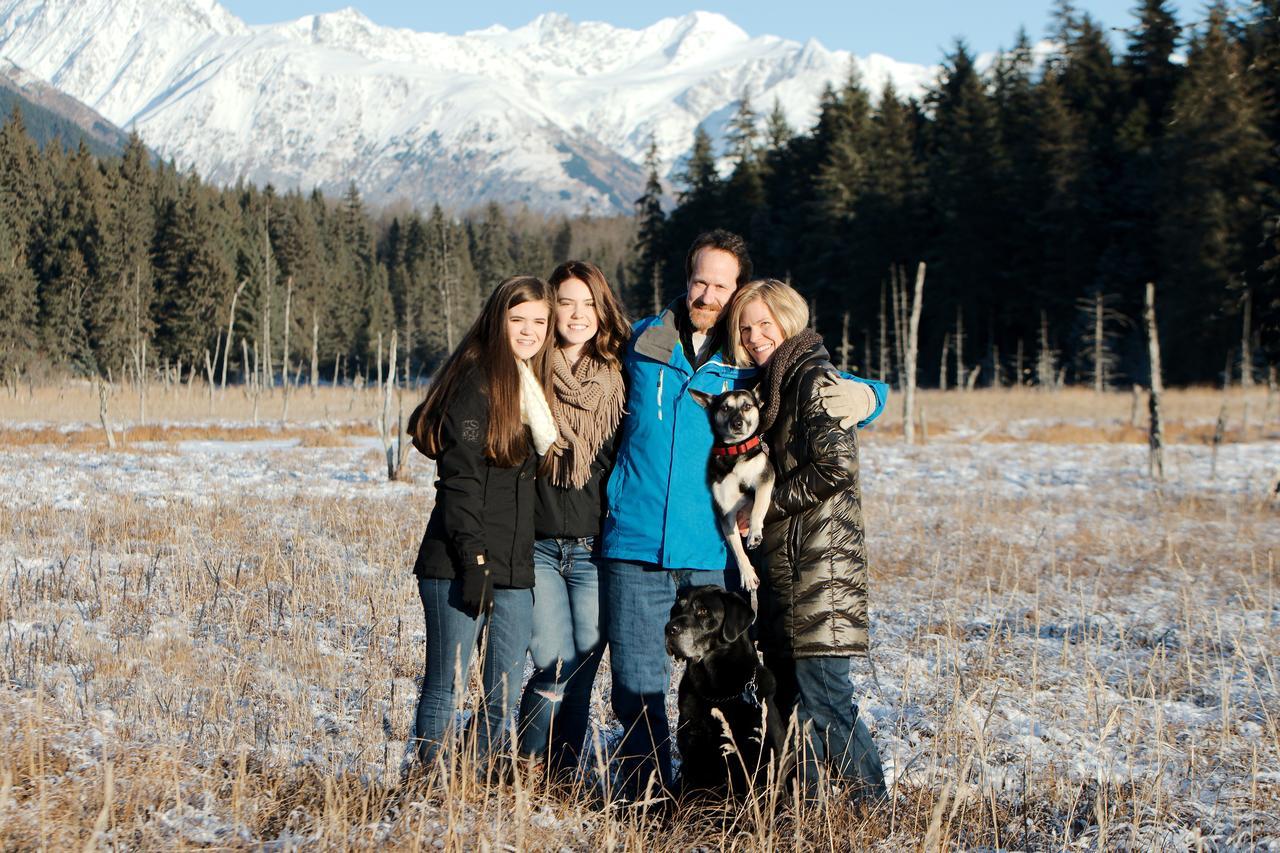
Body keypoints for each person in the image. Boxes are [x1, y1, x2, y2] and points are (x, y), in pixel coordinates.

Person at [600, 229, 886, 797]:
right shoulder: (640, 343)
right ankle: (648, 803)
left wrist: (872, 395)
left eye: (721, 286)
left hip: (713, 553)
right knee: (638, 689)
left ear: (736, 292)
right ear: (686, 280)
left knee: (723, 689)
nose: (707, 294)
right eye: (699, 280)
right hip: (635, 542)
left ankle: (733, 794)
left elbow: (811, 369)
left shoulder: (747, 362)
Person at [727, 278, 887, 798]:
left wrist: (762, 505)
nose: (754, 337)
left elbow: (835, 467)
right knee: (794, 698)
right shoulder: (774, 385)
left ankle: (873, 811)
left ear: (789, 320)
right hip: (791, 564)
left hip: (821, 565)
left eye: (764, 325)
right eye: (745, 328)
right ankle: (811, 812)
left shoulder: (813, 379)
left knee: (826, 698)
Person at [408, 275, 558, 774]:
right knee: (445, 686)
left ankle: (474, 789)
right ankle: (429, 792)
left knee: (502, 692)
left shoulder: (528, 385)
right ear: (499, 319)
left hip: (515, 565)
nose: (530, 330)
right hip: (459, 562)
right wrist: (474, 562)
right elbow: (459, 483)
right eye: (519, 319)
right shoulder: (477, 382)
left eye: (540, 321)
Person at [516, 261, 629, 780]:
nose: (578, 314)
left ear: (602, 310)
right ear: (551, 307)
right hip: (536, 543)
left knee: (582, 667)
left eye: (588, 303)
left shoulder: (620, 378)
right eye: (566, 303)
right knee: (552, 661)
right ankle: (527, 766)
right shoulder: (529, 370)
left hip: (592, 547)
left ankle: (561, 774)